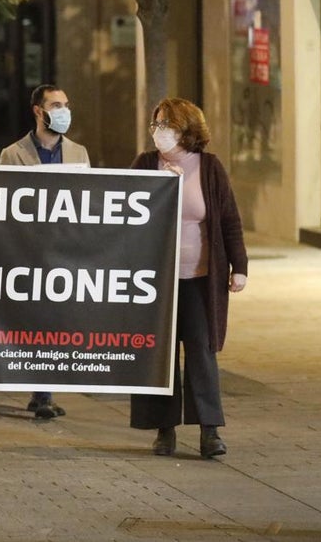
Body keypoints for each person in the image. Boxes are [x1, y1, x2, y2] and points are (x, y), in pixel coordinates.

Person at [130, 97, 247, 459]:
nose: (159, 132)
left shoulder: (209, 168)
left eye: (166, 125)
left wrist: (239, 266)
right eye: (156, 125)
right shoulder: (146, 165)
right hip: (155, 281)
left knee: (201, 349)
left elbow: (228, 219)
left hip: (200, 276)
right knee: (159, 352)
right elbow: (124, 212)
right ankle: (164, 430)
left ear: (187, 130)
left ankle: (209, 430)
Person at [0, 84, 91, 419]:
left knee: (57, 321)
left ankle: (44, 392)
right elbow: (4, 206)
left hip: (64, 251)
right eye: (55, 104)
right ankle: (41, 392)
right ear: (38, 110)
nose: (63, 110)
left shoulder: (79, 153)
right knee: (35, 320)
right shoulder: (13, 154)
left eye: (66, 104)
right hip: (29, 253)